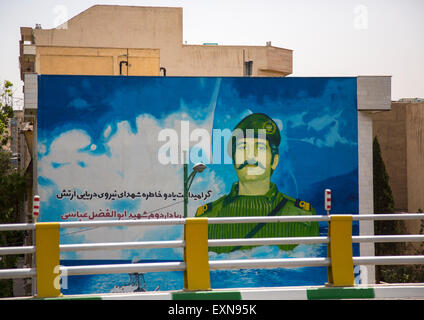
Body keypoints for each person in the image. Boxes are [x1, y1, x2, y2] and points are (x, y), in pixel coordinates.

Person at [195, 113, 319, 253]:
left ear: (274, 160)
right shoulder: (207, 218)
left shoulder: (301, 217)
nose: (250, 156)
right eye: (242, 147)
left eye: (260, 148)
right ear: (234, 159)